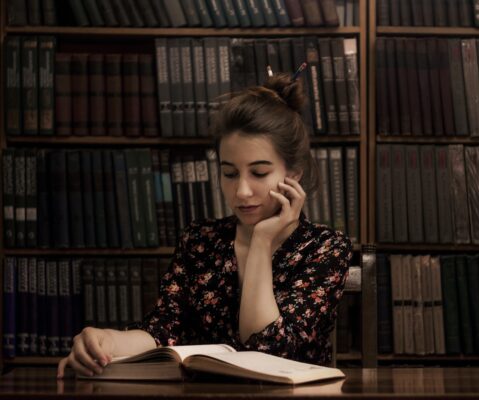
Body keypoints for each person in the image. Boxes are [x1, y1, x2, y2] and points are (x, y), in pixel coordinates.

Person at [57, 72, 352, 379]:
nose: (241, 192)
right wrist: (108, 340)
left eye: (260, 173)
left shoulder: (326, 248)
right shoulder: (201, 239)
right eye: (229, 173)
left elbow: (266, 349)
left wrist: (262, 241)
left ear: (295, 174)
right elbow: (164, 328)